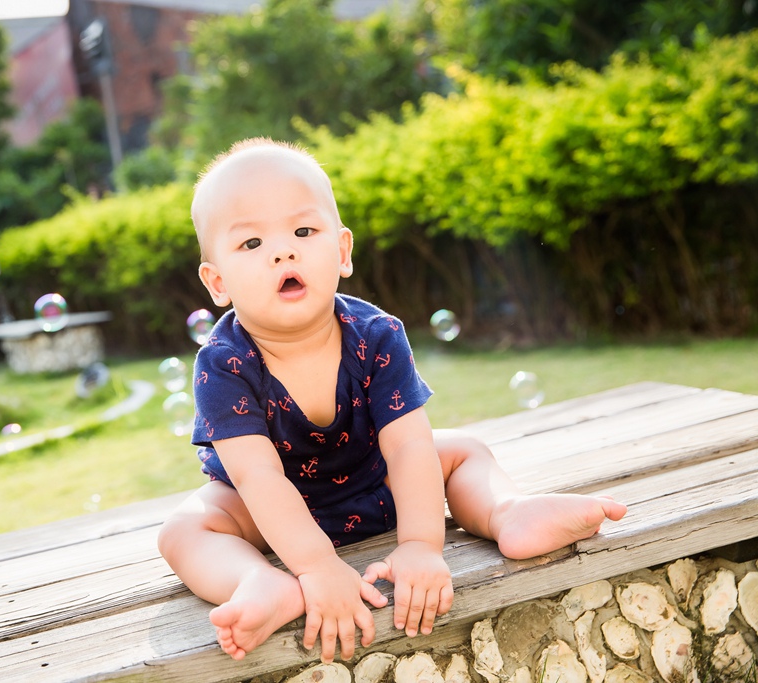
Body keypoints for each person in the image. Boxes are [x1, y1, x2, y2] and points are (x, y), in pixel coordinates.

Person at [156, 137, 627, 664]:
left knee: (460, 451)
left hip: (379, 484)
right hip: (271, 518)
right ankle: (259, 581)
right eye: (251, 243)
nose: (283, 252)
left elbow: (407, 447)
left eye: (304, 231)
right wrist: (315, 567)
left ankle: (505, 511)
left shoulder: (377, 334)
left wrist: (421, 546)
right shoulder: (224, 364)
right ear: (217, 282)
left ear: (342, 251)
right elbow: (256, 478)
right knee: (185, 529)